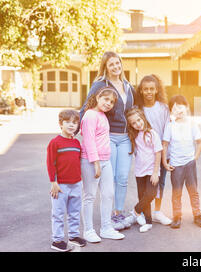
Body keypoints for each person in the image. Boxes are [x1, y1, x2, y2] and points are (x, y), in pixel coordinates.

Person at [79, 51, 136, 230]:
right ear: (105, 66)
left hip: (126, 137)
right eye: (111, 64)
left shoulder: (128, 86)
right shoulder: (99, 85)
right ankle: (107, 217)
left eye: (117, 63)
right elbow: (87, 106)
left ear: (121, 64)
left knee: (122, 177)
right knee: (108, 180)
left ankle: (117, 213)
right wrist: (75, 128)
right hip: (108, 137)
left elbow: (134, 110)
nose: (115, 67)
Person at [80, 87, 125, 242]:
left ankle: (106, 228)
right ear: (98, 97)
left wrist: (103, 162)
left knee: (108, 194)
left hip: (105, 161)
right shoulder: (90, 115)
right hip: (91, 161)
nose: (108, 103)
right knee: (89, 196)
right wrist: (96, 163)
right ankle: (88, 230)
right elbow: (89, 140)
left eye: (112, 102)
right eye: (106, 99)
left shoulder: (102, 115)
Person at [162, 95, 201, 229]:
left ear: (186, 107)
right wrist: (165, 162)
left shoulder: (192, 124)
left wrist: (195, 158)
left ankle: (197, 215)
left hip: (189, 164)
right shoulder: (170, 126)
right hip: (176, 165)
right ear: (171, 111)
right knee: (177, 192)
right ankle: (177, 216)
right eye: (175, 108)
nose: (179, 110)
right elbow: (165, 144)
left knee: (193, 191)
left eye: (181, 107)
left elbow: (200, 142)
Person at [47, 109, 87, 252]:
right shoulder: (55, 142)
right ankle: (57, 240)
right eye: (68, 122)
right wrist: (54, 182)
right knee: (58, 213)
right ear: (60, 124)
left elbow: (78, 163)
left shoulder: (77, 143)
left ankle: (73, 236)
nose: (71, 125)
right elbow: (50, 163)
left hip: (76, 184)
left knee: (74, 212)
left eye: (75, 123)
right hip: (60, 186)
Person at [135, 74, 172, 226]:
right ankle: (144, 212)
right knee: (144, 185)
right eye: (145, 89)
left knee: (160, 183)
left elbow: (167, 130)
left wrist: (166, 152)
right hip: (145, 155)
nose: (149, 92)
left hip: (161, 152)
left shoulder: (163, 108)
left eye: (151, 89)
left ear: (157, 90)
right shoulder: (138, 109)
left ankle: (157, 212)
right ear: (141, 91)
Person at [125, 107, 163, 233]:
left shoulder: (152, 133)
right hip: (139, 171)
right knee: (142, 196)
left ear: (143, 118)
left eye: (139, 120)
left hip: (152, 171)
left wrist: (156, 172)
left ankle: (135, 212)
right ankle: (148, 222)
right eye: (134, 123)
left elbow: (158, 152)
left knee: (150, 194)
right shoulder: (134, 136)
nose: (138, 124)